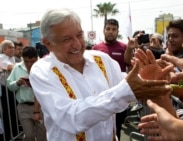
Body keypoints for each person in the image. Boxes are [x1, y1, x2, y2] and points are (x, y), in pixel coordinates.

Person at [29, 8, 171, 141]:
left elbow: (124, 86)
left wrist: (146, 79)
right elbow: (71, 118)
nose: (77, 44)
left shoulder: (101, 60)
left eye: (79, 35)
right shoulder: (42, 71)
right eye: (67, 39)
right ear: (48, 43)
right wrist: (126, 90)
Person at [92, 18, 129, 140]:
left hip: (119, 95)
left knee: (116, 128)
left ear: (118, 31)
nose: (110, 32)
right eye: (108, 29)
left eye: (114, 29)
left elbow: (130, 64)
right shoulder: (96, 48)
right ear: (103, 30)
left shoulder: (124, 47)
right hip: (100, 95)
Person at [6, 46, 47, 141]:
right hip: (23, 107)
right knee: (29, 136)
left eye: (32, 61)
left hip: (41, 107)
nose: (29, 64)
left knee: (42, 136)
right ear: (22, 59)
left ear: (36, 58)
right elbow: (9, 85)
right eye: (26, 61)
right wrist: (17, 83)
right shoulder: (17, 68)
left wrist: (36, 85)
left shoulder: (43, 68)